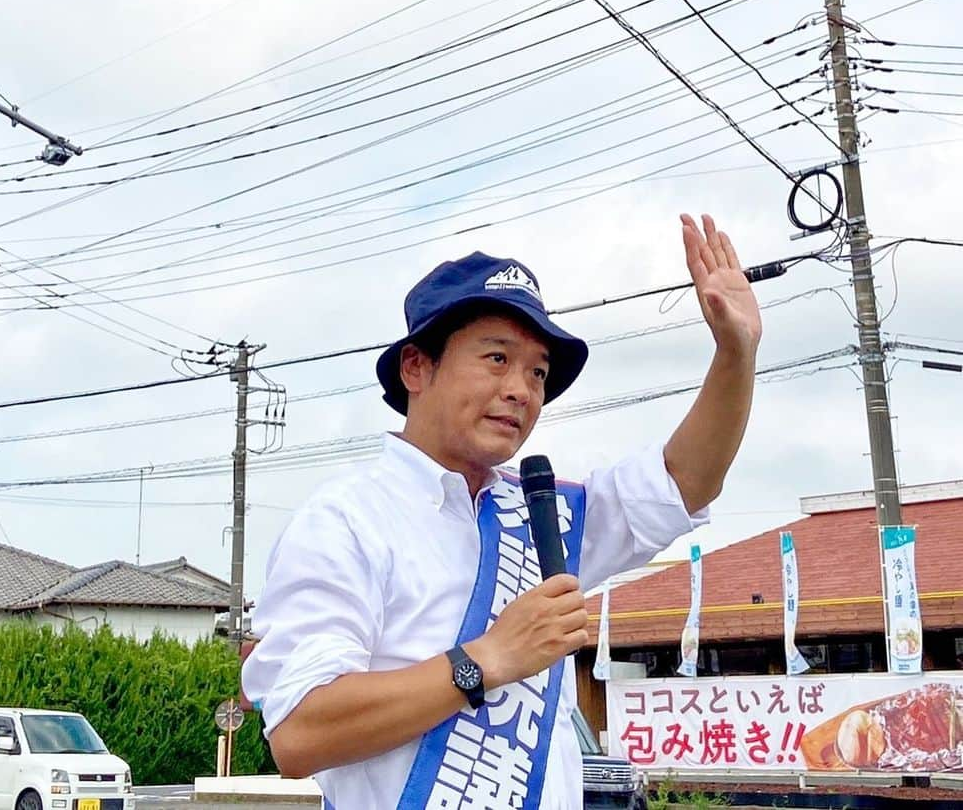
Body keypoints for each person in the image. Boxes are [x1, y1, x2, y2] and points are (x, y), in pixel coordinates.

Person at [242, 214, 762, 809]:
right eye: (497, 358)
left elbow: (685, 480)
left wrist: (735, 353)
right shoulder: (345, 521)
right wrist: (487, 659)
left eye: (537, 372)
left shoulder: (542, 518)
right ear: (416, 366)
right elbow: (301, 732)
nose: (522, 388)